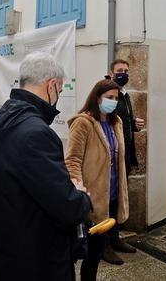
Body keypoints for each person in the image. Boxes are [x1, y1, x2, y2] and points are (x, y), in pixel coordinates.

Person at [0, 52, 92, 281]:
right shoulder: (36, 133)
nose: (58, 95)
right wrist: (80, 194)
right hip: (35, 259)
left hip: (4, 250)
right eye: (59, 90)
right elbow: (67, 207)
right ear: (52, 85)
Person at [65, 79, 130, 281]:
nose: (113, 102)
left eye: (116, 98)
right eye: (109, 98)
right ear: (97, 97)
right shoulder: (83, 122)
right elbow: (72, 159)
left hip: (111, 195)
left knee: (97, 251)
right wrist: (79, 189)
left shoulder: (115, 122)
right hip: (90, 198)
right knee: (85, 252)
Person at [103, 59, 143, 264]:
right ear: (111, 73)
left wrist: (133, 124)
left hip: (124, 156)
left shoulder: (125, 96)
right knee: (108, 201)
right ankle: (105, 246)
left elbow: (121, 123)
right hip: (110, 158)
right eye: (119, 71)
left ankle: (115, 237)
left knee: (118, 200)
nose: (123, 74)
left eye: (126, 71)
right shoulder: (108, 96)